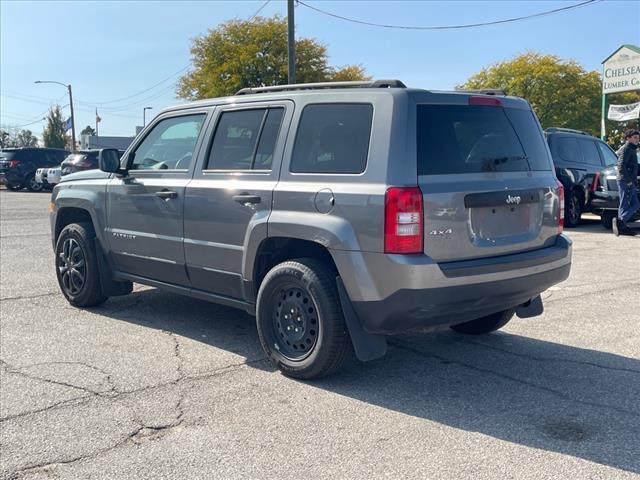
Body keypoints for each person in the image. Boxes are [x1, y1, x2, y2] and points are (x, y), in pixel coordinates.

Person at [613, 129, 640, 237]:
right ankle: (620, 221)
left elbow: (634, 166)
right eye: (635, 137)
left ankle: (622, 226)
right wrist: (629, 182)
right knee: (634, 204)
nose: (637, 140)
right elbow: (621, 166)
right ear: (628, 138)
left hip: (629, 181)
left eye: (638, 138)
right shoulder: (626, 149)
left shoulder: (632, 149)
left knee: (625, 205)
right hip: (625, 181)